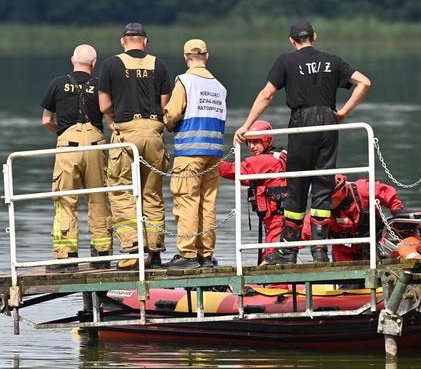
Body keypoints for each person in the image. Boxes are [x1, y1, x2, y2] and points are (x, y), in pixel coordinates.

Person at [234, 20, 371, 264]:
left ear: (291, 40)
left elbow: (267, 94)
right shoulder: (332, 60)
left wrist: (246, 126)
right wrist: (343, 114)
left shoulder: (286, 60)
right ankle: (320, 251)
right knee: (323, 185)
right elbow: (364, 82)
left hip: (302, 122)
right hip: (328, 122)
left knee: (296, 184)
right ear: (314, 37)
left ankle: (288, 250)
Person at [98, 23, 172, 270]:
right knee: (151, 192)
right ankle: (155, 250)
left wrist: (113, 121)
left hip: (125, 132)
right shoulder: (159, 64)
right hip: (153, 132)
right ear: (146, 41)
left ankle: (132, 247)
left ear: (123, 42)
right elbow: (164, 105)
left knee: (121, 191)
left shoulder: (110, 64)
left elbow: (103, 105)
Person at [41, 44, 112, 272]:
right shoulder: (101, 85)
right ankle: (102, 255)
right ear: (94, 63)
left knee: (65, 201)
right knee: (98, 199)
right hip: (95, 144)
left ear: (73, 60)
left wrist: (62, 134)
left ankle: (66, 257)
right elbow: (110, 117)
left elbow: (46, 120)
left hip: (68, 145)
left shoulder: (57, 83)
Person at [162, 39, 227, 269]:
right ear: (207, 56)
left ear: (185, 57)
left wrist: (165, 123)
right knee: (208, 204)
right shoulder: (220, 87)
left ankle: (187, 255)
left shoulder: (185, 81)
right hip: (214, 153)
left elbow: (172, 115)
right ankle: (206, 255)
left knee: (187, 201)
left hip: (190, 152)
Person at [218, 120, 287, 262]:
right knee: (271, 256)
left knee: (272, 259)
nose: (251, 146)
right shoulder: (277, 157)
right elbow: (248, 179)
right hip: (277, 221)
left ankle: (276, 284)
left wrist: (207, 156)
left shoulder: (267, 161)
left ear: (267, 140)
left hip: (278, 221)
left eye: (256, 142)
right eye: (249, 142)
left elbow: (231, 170)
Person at [301, 174, 405, 262]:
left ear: (341, 191)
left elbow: (388, 194)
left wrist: (398, 216)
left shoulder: (363, 189)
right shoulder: (322, 210)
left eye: (330, 199)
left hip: (372, 245)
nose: (327, 204)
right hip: (343, 251)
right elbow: (305, 231)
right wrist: (288, 247)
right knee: (346, 283)